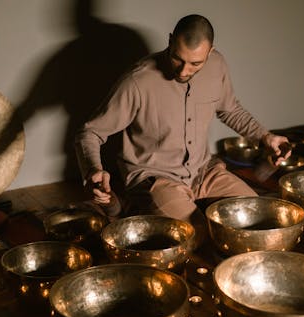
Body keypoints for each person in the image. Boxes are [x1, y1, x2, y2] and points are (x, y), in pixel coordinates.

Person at [75, 14, 290, 246]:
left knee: (260, 219)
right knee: (195, 236)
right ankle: (130, 208)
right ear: (170, 41)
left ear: (210, 52)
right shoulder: (138, 81)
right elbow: (90, 132)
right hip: (156, 179)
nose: (184, 71)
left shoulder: (217, 66)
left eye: (195, 63)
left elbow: (230, 110)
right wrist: (93, 169)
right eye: (178, 59)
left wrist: (266, 137)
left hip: (204, 172)